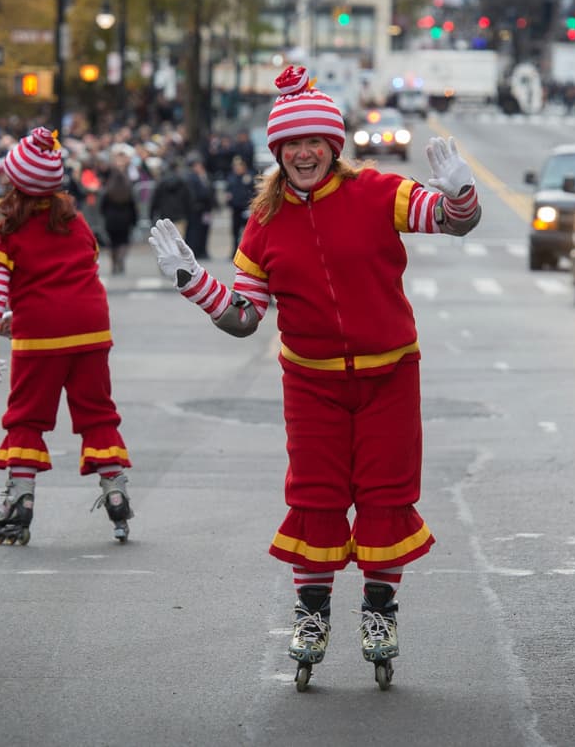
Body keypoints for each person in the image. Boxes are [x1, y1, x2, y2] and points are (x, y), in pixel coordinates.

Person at [148, 65, 481, 690]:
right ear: (278, 152)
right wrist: (194, 284)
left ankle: (380, 616)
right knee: (316, 497)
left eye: (314, 143)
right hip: (311, 382)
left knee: (386, 495)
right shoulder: (265, 223)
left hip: (389, 375)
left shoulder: (380, 192)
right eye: (291, 145)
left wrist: (462, 193)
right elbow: (246, 318)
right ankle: (311, 617)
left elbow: (454, 222)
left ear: (334, 146)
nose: (303, 153)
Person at [0, 126, 136, 546]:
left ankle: (20, 500)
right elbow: (86, 265)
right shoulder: (75, 221)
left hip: (41, 334)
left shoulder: (5, 228)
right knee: (97, 412)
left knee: (27, 417)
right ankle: (115, 488)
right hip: (90, 325)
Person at [100, 146, 138, 274]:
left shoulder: (109, 187)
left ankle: (115, 261)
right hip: (125, 216)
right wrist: (134, 219)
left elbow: (103, 204)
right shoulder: (128, 186)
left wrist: (104, 214)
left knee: (113, 242)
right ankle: (121, 259)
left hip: (111, 217)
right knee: (123, 240)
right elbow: (133, 204)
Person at [224, 154, 255, 252]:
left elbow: (253, 192)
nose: (238, 168)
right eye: (236, 166)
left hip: (246, 208)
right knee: (235, 231)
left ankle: (246, 251)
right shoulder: (231, 177)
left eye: (240, 166)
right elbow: (228, 191)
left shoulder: (249, 176)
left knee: (247, 232)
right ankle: (234, 251)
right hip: (235, 208)